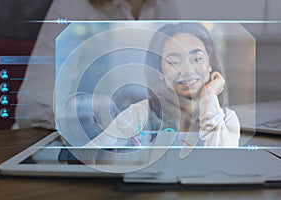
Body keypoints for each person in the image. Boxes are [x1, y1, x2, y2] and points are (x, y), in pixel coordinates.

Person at [15, 0, 193, 133]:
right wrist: (98, 110)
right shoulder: (73, 5)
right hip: (64, 141)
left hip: (138, 141)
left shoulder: (163, 6)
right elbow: (33, 106)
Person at [86, 23, 240, 148]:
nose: (187, 70)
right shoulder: (140, 114)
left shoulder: (227, 119)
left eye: (197, 59)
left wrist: (209, 96)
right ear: (159, 70)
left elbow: (222, 160)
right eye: (174, 62)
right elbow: (90, 153)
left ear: (210, 63)